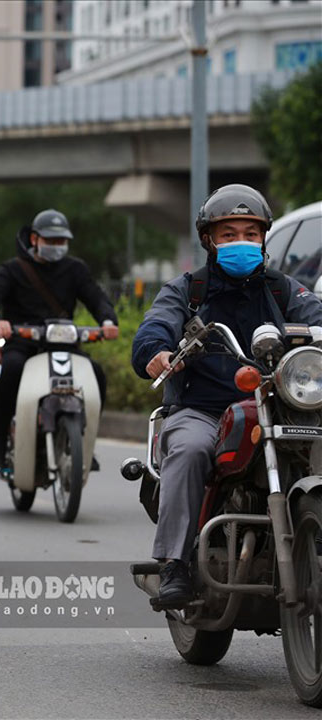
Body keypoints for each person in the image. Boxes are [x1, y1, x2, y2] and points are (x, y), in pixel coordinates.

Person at [132, 184, 322, 610]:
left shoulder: (283, 289)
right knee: (189, 449)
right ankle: (175, 564)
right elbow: (157, 323)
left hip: (276, 403)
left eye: (250, 234)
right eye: (229, 234)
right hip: (203, 409)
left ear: (263, 238)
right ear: (210, 240)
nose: (241, 243)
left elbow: (316, 317)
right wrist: (156, 352)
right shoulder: (189, 290)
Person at [0, 209, 118, 474]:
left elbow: (97, 298)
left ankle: (85, 442)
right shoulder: (12, 269)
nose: (56, 247)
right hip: (23, 344)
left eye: (61, 242)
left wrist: (108, 321)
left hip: (64, 344)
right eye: (50, 241)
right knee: (11, 371)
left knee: (96, 374)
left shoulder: (76, 269)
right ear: (34, 239)